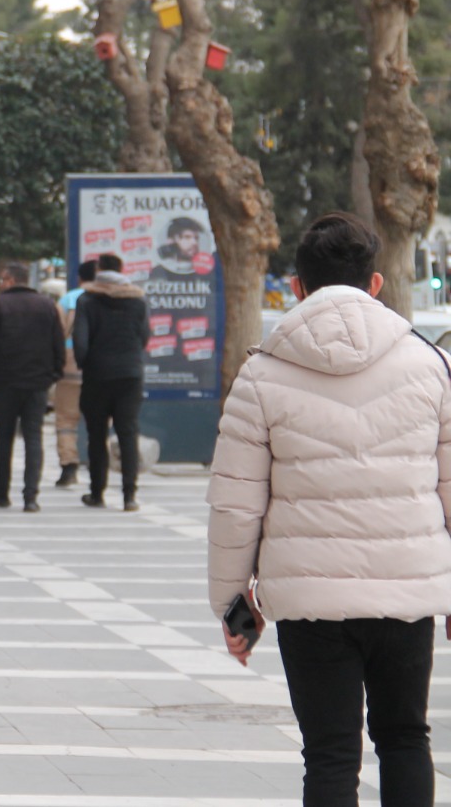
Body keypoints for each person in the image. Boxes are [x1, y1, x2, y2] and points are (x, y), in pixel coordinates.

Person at [209, 212, 451, 806]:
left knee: (329, 753)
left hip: (309, 602)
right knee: (405, 738)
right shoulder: (430, 366)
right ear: (375, 283)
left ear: (297, 286)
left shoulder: (261, 375)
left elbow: (235, 505)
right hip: (406, 592)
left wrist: (236, 610)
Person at [0, 262, 64, 513]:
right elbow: (57, 344)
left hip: (3, 382)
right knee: (33, 438)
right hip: (37, 383)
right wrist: (52, 375)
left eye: (3, 279)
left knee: (3, 438)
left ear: (10, 280)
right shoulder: (47, 306)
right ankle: (31, 496)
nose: (1, 283)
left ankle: (2, 491)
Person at [73, 253, 150, 511]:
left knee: (97, 435)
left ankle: (97, 492)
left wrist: (86, 364)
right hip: (130, 374)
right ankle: (130, 495)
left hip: (97, 376)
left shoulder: (87, 300)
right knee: (128, 433)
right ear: (122, 269)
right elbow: (144, 337)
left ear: (99, 270)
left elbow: (80, 342)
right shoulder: (137, 300)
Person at [52, 260, 97, 488]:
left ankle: (69, 466)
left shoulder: (68, 299)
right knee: (97, 420)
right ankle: (97, 463)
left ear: (79, 278)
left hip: (69, 367)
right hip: (98, 368)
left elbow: (56, 333)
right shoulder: (106, 298)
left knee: (66, 419)